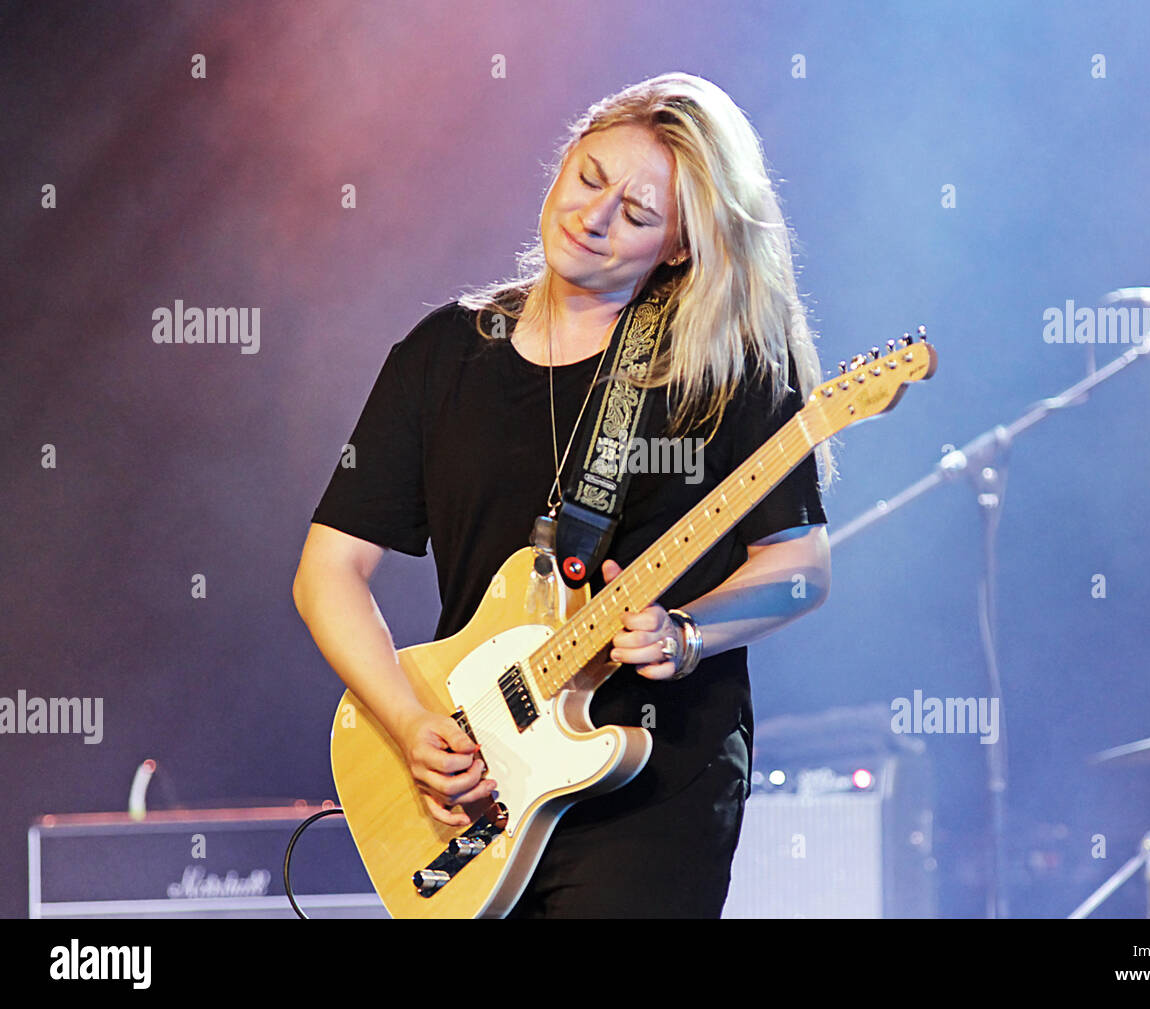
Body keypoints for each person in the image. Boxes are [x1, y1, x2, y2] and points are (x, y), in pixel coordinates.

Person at [293, 72, 832, 918]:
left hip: (652, 782)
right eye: (588, 178)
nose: (595, 215)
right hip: (482, 777)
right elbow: (327, 571)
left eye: (639, 214)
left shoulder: (724, 369)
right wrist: (406, 724)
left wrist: (689, 634)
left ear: (679, 248)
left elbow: (802, 565)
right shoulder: (442, 355)